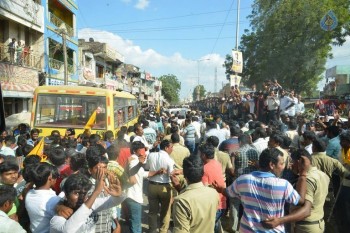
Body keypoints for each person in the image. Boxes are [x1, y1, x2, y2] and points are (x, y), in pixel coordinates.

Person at [214, 148, 311, 232]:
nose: (283, 167)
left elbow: (228, 192)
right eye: (281, 163)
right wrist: (303, 173)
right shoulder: (283, 185)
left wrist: (220, 189)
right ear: (272, 165)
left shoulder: (243, 180)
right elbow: (300, 201)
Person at [50, 171, 125, 233]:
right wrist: (96, 192)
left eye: (84, 193)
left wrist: (118, 195)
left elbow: (113, 201)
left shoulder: (90, 205)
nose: (81, 198)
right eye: (76, 193)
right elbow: (68, 230)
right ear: (66, 194)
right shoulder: (57, 219)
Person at [172, 156, 219, 233]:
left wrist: (179, 189)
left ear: (185, 175)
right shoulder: (213, 193)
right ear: (202, 173)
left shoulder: (180, 201)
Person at [289, 149, 329, 233]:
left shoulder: (306, 180)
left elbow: (306, 210)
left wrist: (280, 220)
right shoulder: (323, 175)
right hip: (318, 223)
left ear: (299, 161)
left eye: (293, 162)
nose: (291, 165)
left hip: (305, 227)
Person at [146, 139, 175, 233]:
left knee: (152, 211)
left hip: (152, 186)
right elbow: (171, 174)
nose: (172, 149)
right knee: (165, 212)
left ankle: (152, 230)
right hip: (164, 187)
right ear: (166, 148)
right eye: (171, 147)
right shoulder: (169, 160)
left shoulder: (151, 155)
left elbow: (147, 167)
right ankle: (163, 230)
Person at [25, 163, 61, 233]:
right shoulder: (53, 200)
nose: (56, 178)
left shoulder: (29, 194)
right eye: (55, 176)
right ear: (50, 179)